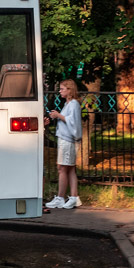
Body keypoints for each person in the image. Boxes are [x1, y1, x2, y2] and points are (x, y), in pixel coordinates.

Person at [44, 79, 82, 209]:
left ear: (69, 90)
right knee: (70, 168)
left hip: (67, 139)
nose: (60, 91)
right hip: (65, 138)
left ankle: (60, 197)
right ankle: (73, 197)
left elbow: (73, 122)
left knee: (62, 168)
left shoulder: (73, 104)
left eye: (62, 89)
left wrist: (58, 115)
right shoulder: (68, 104)